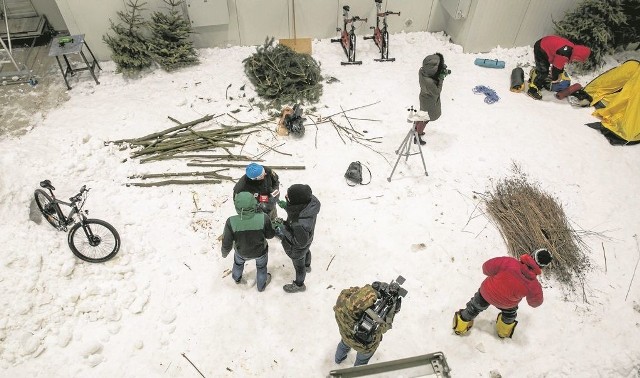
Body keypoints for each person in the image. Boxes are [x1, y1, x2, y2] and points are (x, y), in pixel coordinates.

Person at [453, 248, 553, 338]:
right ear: (542, 267)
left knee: (473, 308)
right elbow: (535, 303)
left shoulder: (508, 262)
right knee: (510, 316)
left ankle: (460, 326)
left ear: (531, 255)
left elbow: (486, 268)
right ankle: (503, 332)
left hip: (486, 293)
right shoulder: (533, 285)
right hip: (507, 304)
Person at [333, 283, 400, 366]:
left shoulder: (342, 299)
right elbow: (385, 327)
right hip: (365, 346)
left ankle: (338, 359)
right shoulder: (373, 323)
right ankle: (356, 373)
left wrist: (371, 290)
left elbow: (352, 291)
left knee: (343, 345)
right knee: (362, 361)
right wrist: (393, 311)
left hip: (346, 334)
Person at [221, 191, 276, 292]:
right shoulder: (263, 217)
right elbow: (270, 235)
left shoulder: (231, 221)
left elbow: (226, 242)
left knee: (238, 264)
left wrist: (224, 253)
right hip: (260, 252)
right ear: (253, 203)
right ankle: (261, 286)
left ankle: (236, 278)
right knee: (261, 267)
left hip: (241, 252)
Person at [273, 184, 320, 293]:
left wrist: (283, 228)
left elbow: (300, 243)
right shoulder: (310, 203)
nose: (285, 196)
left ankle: (299, 285)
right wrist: (286, 206)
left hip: (298, 248)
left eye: (288, 197)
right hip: (308, 238)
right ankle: (307, 266)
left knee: (299, 266)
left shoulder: (298, 223)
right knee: (307, 251)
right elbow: (297, 210)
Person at [527, 35, 591, 100]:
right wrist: (555, 79)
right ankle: (533, 89)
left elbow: (560, 65)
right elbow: (555, 69)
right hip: (541, 48)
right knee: (543, 71)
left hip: (545, 44)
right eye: (578, 60)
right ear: (577, 56)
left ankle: (535, 76)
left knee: (543, 68)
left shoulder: (571, 49)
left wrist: (559, 74)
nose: (576, 61)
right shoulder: (565, 53)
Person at [416, 52, 449, 145]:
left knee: (422, 115)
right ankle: (417, 135)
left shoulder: (422, 71)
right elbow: (437, 92)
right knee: (425, 119)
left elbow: (431, 71)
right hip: (429, 101)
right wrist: (441, 78)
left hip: (424, 97)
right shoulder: (429, 82)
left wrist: (439, 69)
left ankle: (416, 129)